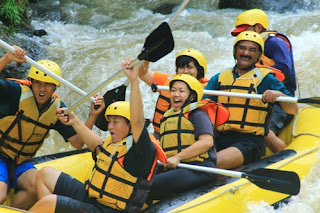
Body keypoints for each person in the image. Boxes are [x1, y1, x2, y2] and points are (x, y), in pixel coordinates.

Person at [30, 58, 166, 213]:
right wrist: (74, 121)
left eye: (116, 121)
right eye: (109, 121)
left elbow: (138, 121)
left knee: (49, 202)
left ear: (129, 127)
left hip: (110, 210)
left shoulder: (141, 150)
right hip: (93, 199)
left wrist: (134, 81)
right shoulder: (113, 144)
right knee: (45, 175)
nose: (110, 126)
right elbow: (96, 145)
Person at [0, 46, 104, 210]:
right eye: (38, 83)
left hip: (21, 162)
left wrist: (92, 116)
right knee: (0, 194)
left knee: (36, 186)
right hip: (0, 154)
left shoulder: (57, 109)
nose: (42, 89)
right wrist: (7, 58)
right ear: (31, 82)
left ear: (55, 87)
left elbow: (77, 143)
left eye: (48, 85)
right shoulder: (15, 92)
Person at [203, 31, 299, 170]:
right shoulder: (219, 78)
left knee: (211, 163)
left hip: (250, 142)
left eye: (252, 50)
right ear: (235, 51)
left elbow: (293, 109)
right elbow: (202, 108)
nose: (246, 53)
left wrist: (279, 95)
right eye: (242, 48)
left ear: (259, 55)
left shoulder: (267, 79)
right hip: (219, 138)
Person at [146, 74, 229, 203]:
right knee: (137, 181)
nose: (175, 94)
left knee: (148, 185)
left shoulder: (197, 114)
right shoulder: (167, 117)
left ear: (191, 96)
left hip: (198, 169)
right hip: (175, 167)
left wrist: (178, 157)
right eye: (173, 90)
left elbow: (207, 142)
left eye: (181, 91)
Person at [231, 8, 297, 153]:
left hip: (280, 98)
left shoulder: (275, 43)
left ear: (258, 27)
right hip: (258, 96)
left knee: (263, 130)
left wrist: (256, 70)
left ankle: (286, 158)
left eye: (245, 30)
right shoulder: (249, 50)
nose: (242, 35)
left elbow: (284, 70)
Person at [139, 48, 208, 139]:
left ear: (199, 70)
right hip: (160, 134)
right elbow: (143, 73)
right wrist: (146, 57)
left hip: (186, 137)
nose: (185, 71)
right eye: (181, 67)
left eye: (190, 67)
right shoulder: (168, 81)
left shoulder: (207, 88)